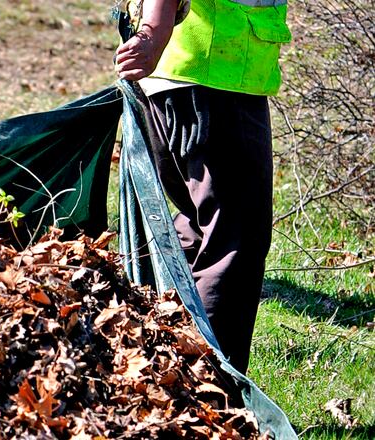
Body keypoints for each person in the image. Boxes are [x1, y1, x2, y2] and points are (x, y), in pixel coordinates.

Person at [114, 0, 292, 373]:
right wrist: (153, 34)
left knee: (198, 229)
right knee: (234, 241)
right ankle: (212, 393)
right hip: (211, 80)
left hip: (187, 77)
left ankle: (151, 355)